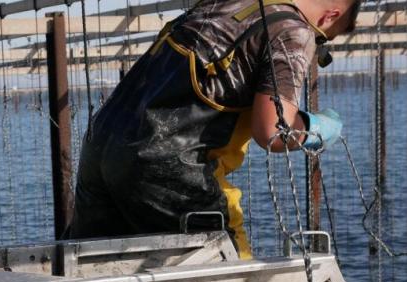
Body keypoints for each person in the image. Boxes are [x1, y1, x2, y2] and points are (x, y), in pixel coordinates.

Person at [68, 0, 360, 259]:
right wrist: (317, 128)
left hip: (99, 152)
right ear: (329, 17)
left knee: (95, 280)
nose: (315, 48)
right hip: (169, 171)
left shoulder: (222, 5)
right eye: (322, 43)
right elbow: (274, 130)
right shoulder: (292, 30)